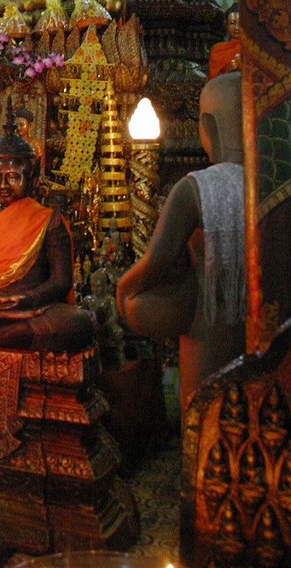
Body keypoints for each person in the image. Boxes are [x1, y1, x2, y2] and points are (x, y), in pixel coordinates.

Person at [116, 72, 245, 417]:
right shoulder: (276, 183)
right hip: (267, 330)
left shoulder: (195, 189)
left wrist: (124, 290)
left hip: (210, 328)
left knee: (207, 423)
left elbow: (155, 263)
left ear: (209, 127)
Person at [0, 103, 95, 353]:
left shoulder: (49, 220)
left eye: (12, 177)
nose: (2, 185)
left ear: (30, 175)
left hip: (30, 310)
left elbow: (61, 280)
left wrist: (25, 300)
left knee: (76, 323)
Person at [208, 2, 241, 79]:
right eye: (232, 23)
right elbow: (212, 82)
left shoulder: (251, 50)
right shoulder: (217, 50)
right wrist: (229, 69)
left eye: (241, 24)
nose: (236, 27)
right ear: (226, 24)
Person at [13, 107, 45, 171]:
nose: (18, 128)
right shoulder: (12, 142)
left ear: (30, 126)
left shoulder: (35, 144)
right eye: (16, 125)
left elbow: (40, 163)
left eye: (22, 125)